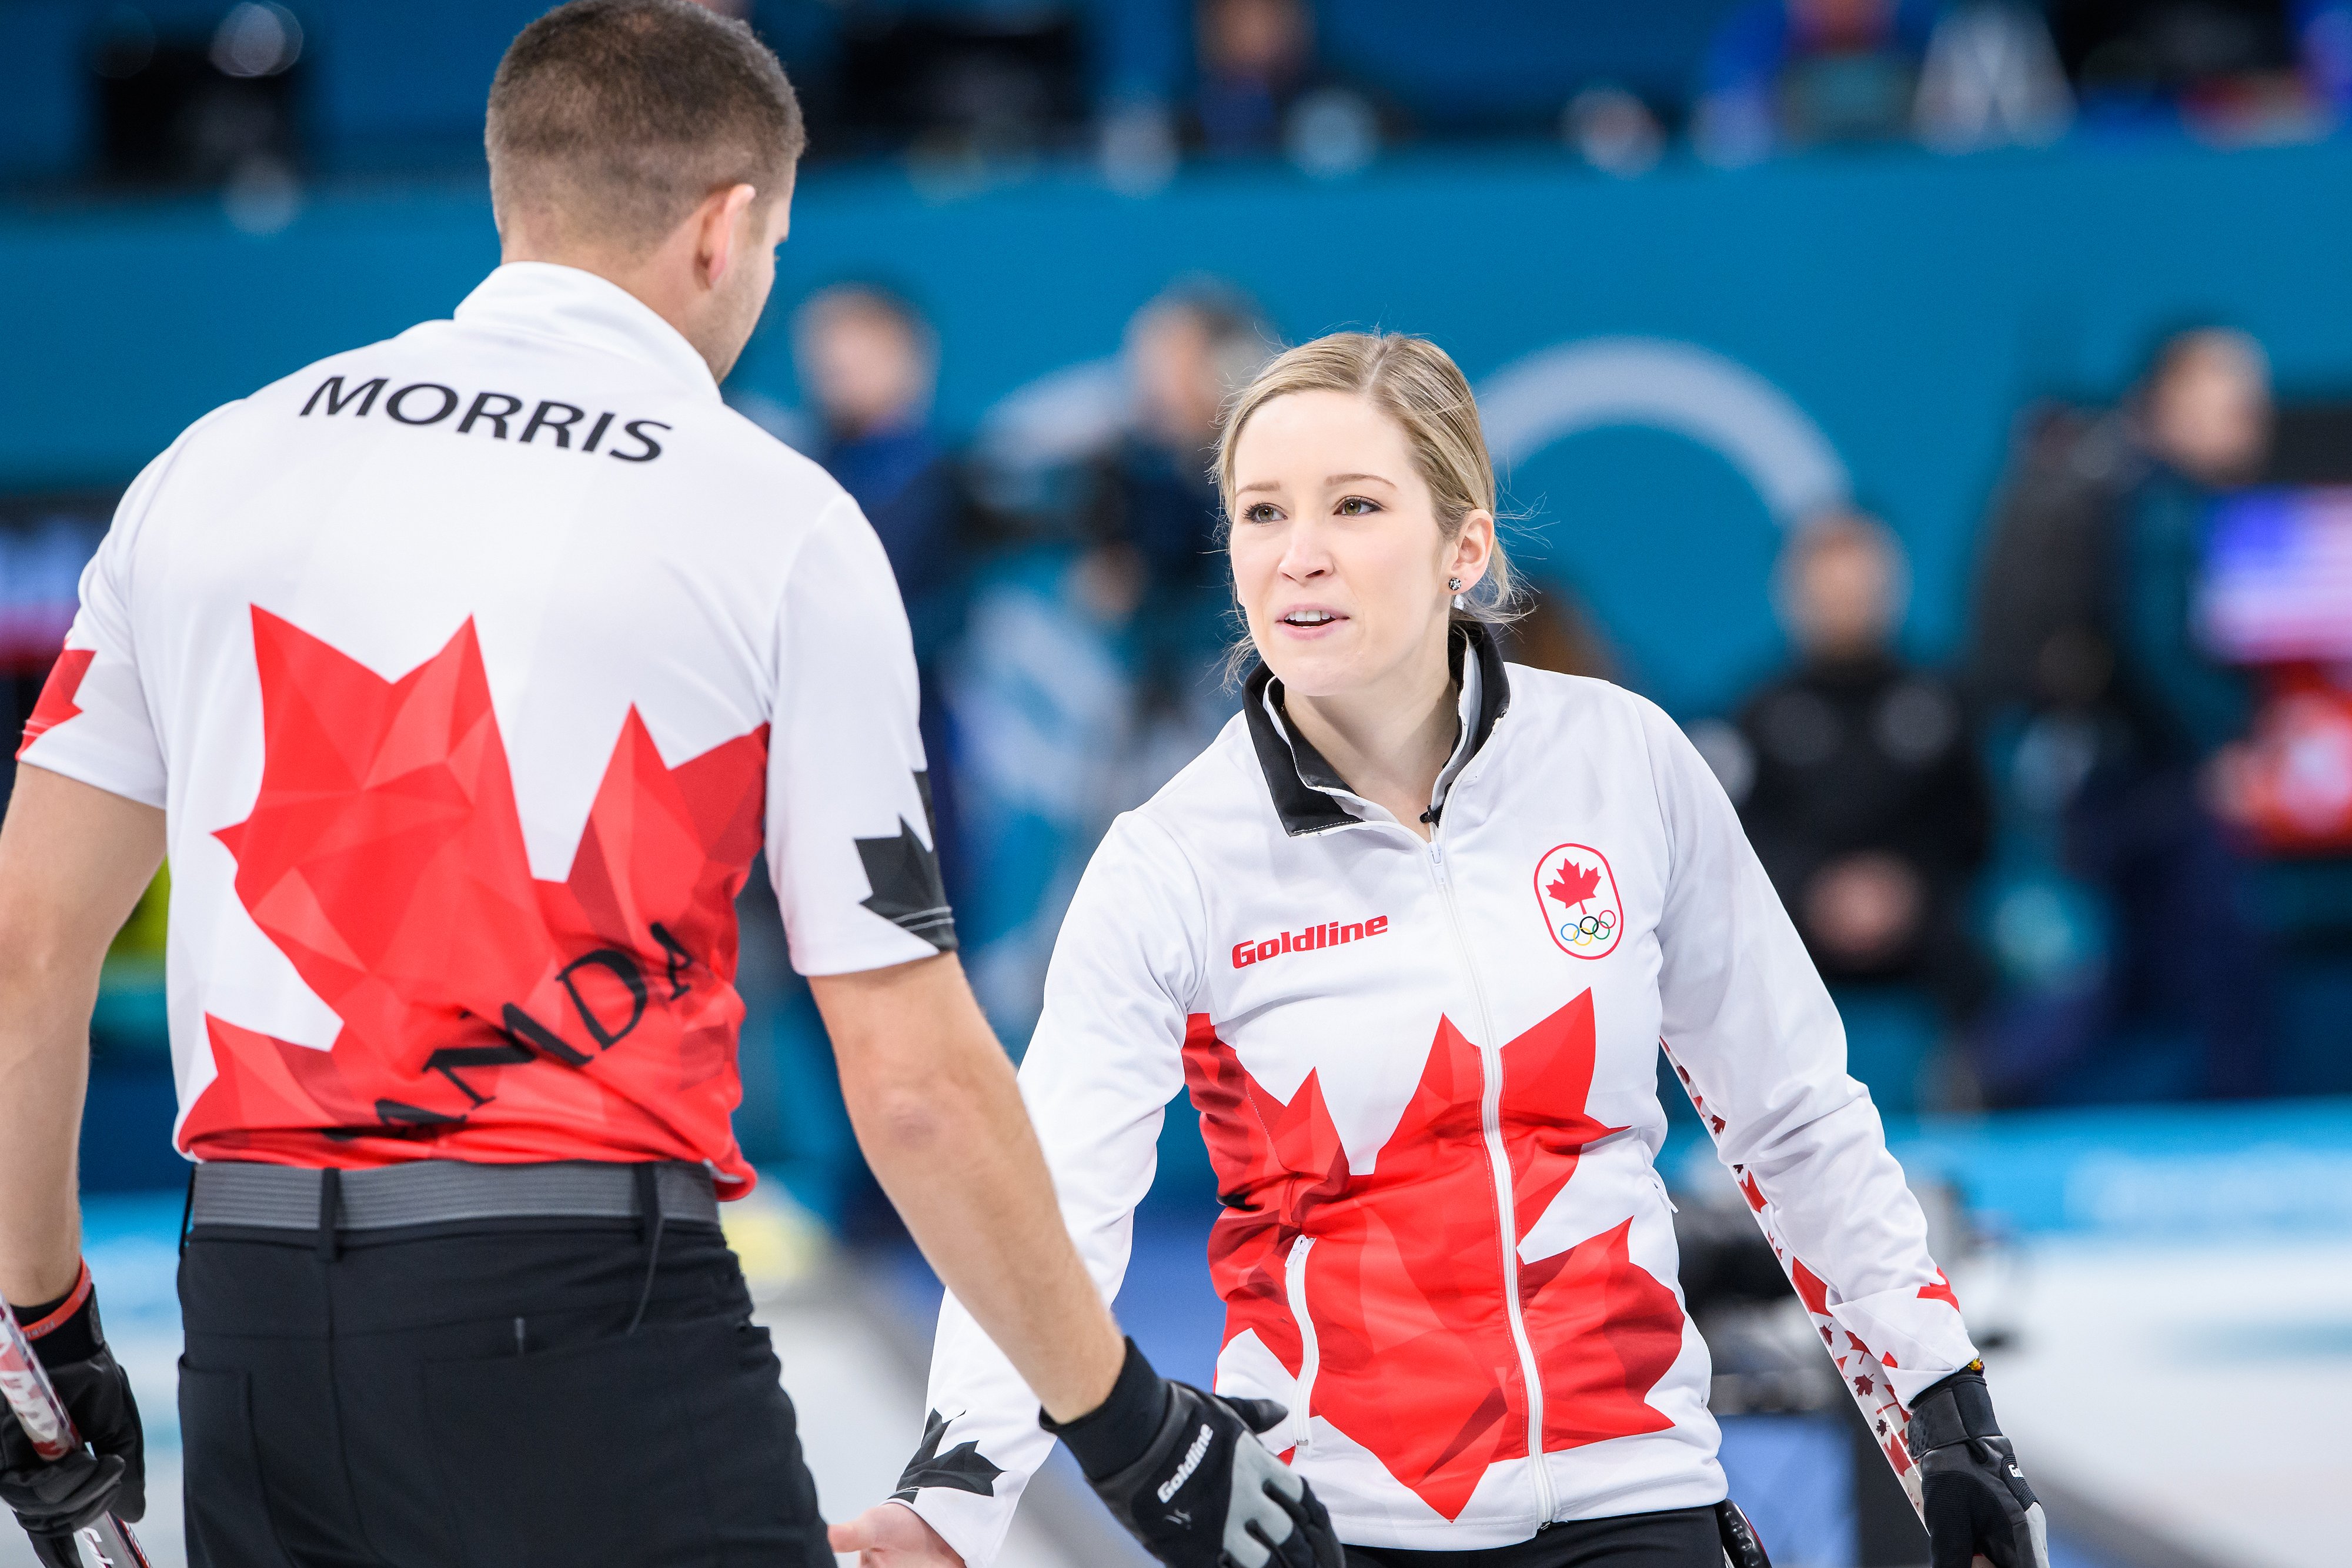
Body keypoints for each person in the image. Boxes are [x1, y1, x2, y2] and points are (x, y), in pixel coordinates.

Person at [0, 6, 1341, 1567]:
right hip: (585, 1321)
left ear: (518, 199)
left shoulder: (211, 464)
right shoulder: (769, 515)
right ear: (728, 229)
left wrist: (44, 1328)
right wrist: (1129, 1425)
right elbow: (909, 1074)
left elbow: (31, 951)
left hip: (255, 1324)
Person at [833, 333, 2049, 1568]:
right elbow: (1053, 1203)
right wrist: (953, 1497)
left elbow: (1790, 1117)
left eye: (1353, 505)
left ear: (1463, 548)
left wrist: (1940, 1407)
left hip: (1637, 1494)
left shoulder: (1624, 762)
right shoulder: (1176, 859)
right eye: (1261, 511)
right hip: (1328, 1529)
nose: (1298, 550)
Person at [1720, 511, 1990, 1029]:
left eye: (1859, 586)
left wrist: (1906, 885)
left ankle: (1977, 1095)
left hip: (1927, 917)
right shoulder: (1755, 713)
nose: (1845, 601)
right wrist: (1814, 890)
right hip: (1797, 919)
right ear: (1793, 595)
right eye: (1828, 589)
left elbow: (1974, 825)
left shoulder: (1946, 702)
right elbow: (1743, 836)